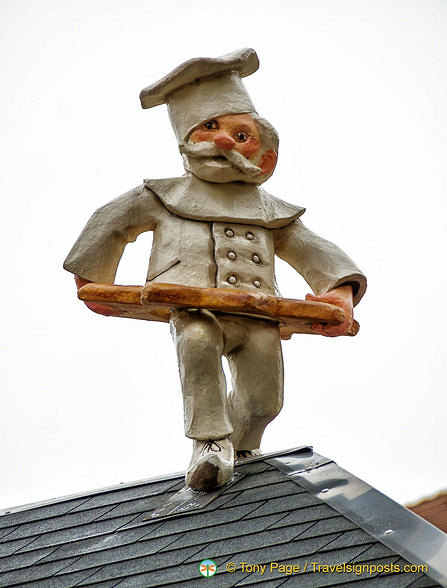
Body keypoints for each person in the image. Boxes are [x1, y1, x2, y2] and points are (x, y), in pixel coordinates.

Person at [64, 48, 366, 491]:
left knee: (264, 401)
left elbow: (315, 251)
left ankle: (243, 450)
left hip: (259, 312)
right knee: (198, 340)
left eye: (240, 134)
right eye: (209, 128)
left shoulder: (272, 211)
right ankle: (208, 442)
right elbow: (109, 224)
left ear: (263, 150)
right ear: (187, 138)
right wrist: (94, 281)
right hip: (191, 306)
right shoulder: (158, 195)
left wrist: (340, 291)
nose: (224, 141)